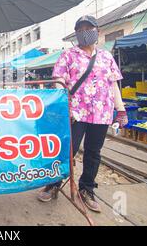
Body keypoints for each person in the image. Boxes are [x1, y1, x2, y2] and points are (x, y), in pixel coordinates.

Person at [37, 15, 128, 213]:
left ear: (98, 31)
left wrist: (120, 110)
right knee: (68, 150)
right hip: (75, 113)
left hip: (102, 114)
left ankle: (86, 188)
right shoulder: (67, 56)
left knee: (93, 153)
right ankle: (54, 183)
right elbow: (59, 84)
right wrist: (64, 107)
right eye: (81, 29)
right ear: (76, 33)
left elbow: (113, 86)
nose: (85, 32)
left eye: (89, 28)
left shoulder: (106, 57)